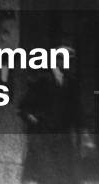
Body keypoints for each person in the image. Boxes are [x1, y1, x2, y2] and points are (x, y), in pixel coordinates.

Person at [19, 46, 81, 184]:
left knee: (66, 175)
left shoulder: (71, 81)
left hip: (63, 137)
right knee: (46, 175)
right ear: (57, 60)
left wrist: (77, 131)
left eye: (72, 61)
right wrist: (35, 122)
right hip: (44, 136)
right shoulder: (42, 79)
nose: (70, 64)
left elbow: (74, 109)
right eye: (67, 60)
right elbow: (23, 108)